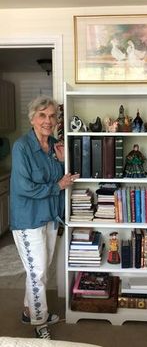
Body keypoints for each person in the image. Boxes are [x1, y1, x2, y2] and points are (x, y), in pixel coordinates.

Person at [10, 95, 79, 339]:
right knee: (37, 272)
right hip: (28, 219)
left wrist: (61, 162)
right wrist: (57, 186)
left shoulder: (54, 146)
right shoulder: (22, 147)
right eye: (42, 115)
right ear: (32, 119)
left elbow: (60, 179)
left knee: (40, 270)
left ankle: (30, 310)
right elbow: (24, 187)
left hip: (50, 216)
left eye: (52, 116)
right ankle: (39, 323)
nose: (48, 121)